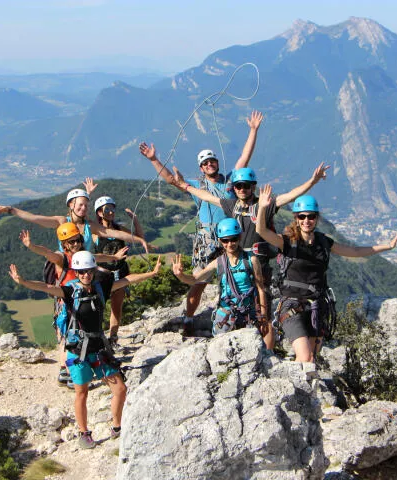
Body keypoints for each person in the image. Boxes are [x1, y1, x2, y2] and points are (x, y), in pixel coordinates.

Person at [8, 251, 162, 448]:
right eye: (81, 272)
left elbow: (127, 280)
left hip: (98, 347)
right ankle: (83, 433)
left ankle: (117, 427)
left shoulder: (101, 288)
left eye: (88, 271)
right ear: (76, 272)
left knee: (120, 389)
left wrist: (152, 273)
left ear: (93, 270)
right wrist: (23, 282)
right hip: (77, 350)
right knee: (82, 392)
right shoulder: (70, 292)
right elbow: (46, 287)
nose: (85, 275)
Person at [172, 163, 330, 349]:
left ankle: (266, 354)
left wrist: (313, 180)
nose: (242, 189)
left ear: (253, 187)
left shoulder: (264, 205)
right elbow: (208, 196)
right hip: (236, 263)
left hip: (259, 266)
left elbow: (291, 195)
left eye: (246, 185)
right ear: (234, 188)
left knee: (264, 313)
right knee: (242, 306)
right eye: (238, 186)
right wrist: (186, 187)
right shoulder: (232, 205)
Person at [139, 111, 263, 335]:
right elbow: (171, 180)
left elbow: (245, 158)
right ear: (201, 168)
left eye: (212, 161)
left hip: (230, 238)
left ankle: (244, 314)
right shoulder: (198, 186)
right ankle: (188, 319)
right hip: (208, 240)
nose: (209, 165)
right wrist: (154, 159)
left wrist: (253, 131)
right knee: (199, 281)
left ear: (217, 162)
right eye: (205, 163)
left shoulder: (231, 182)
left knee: (243, 276)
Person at [255, 186, 397, 363]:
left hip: (316, 306)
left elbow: (354, 251)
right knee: (305, 357)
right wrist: (263, 207)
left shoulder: (324, 242)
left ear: (316, 218)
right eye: (302, 216)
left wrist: (386, 246)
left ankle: (305, 388)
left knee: (313, 358)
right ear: (296, 218)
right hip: (291, 306)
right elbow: (262, 231)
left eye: (311, 216)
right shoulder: (288, 242)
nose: (306, 220)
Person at [18, 223, 128, 386]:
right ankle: (68, 372)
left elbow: (97, 257)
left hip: (80, 298)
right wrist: (31, 246)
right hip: (65, 300)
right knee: (65, 337)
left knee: (76, 334)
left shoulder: (84, 256)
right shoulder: (62, 258)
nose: (75, 244)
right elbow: (47, 253)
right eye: (71, 242)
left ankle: (71, 371)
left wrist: (115, 258)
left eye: (77, 240)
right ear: (64, 245)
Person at [0, 179, 150, 254]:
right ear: (70, 206)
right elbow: (35, 218)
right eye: (80, 205)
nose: (84, 208)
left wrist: (139, 239)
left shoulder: (90, 225)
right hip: (66, 267)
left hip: (86, 268)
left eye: (86, 206)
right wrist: (11, 210)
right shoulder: (61, 221)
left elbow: (115, 233)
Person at [171, 218, 268, 339]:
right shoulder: (218, 262)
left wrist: (263, 316)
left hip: (248, 312)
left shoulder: (251, 260)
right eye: (225, 240)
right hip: (226, 313)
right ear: (220, 241)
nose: (230, 244)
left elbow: (260, 289)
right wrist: (181, 275)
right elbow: (195, 279)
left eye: (233, 239)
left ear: (239, 237)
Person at [91, 196, 143, 344]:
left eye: (112, 208)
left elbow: (138, 237)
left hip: (120, 272)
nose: (111, 212)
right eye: (106, 209)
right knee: (97, 309)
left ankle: (113, 338)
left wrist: (135, 220)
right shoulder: (96, 232)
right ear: (99, 213)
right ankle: (97, 339)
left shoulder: (120, 229)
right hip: (102, 275)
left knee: (116, 308)